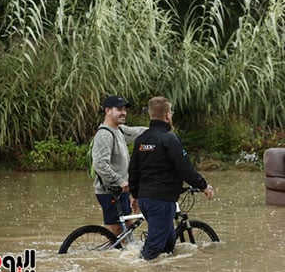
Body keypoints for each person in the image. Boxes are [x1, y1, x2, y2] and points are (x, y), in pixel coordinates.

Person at [128, 96, 214, 260]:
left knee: (168, 245)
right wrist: (204, 186)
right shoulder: (169, 139)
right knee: (152, 249)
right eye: (171, 112)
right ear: (167, 115)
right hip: (161, 200)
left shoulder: (141, 139)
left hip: (146, 200)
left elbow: (134, 170)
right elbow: (185, 168)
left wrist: (135, 195)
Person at [92, 95, 147, 237]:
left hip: (121, 191)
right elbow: (100, 164)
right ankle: (102, 258)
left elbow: (139, 132)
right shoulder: (104, 134)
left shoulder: (120, 130)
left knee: (127, 233)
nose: (124, 112)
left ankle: (120, 258)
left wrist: (159, 130)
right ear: (108, 111)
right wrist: (119, 181)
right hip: (110, 191)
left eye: (124, 109)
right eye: (119, 109)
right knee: (114, 234)